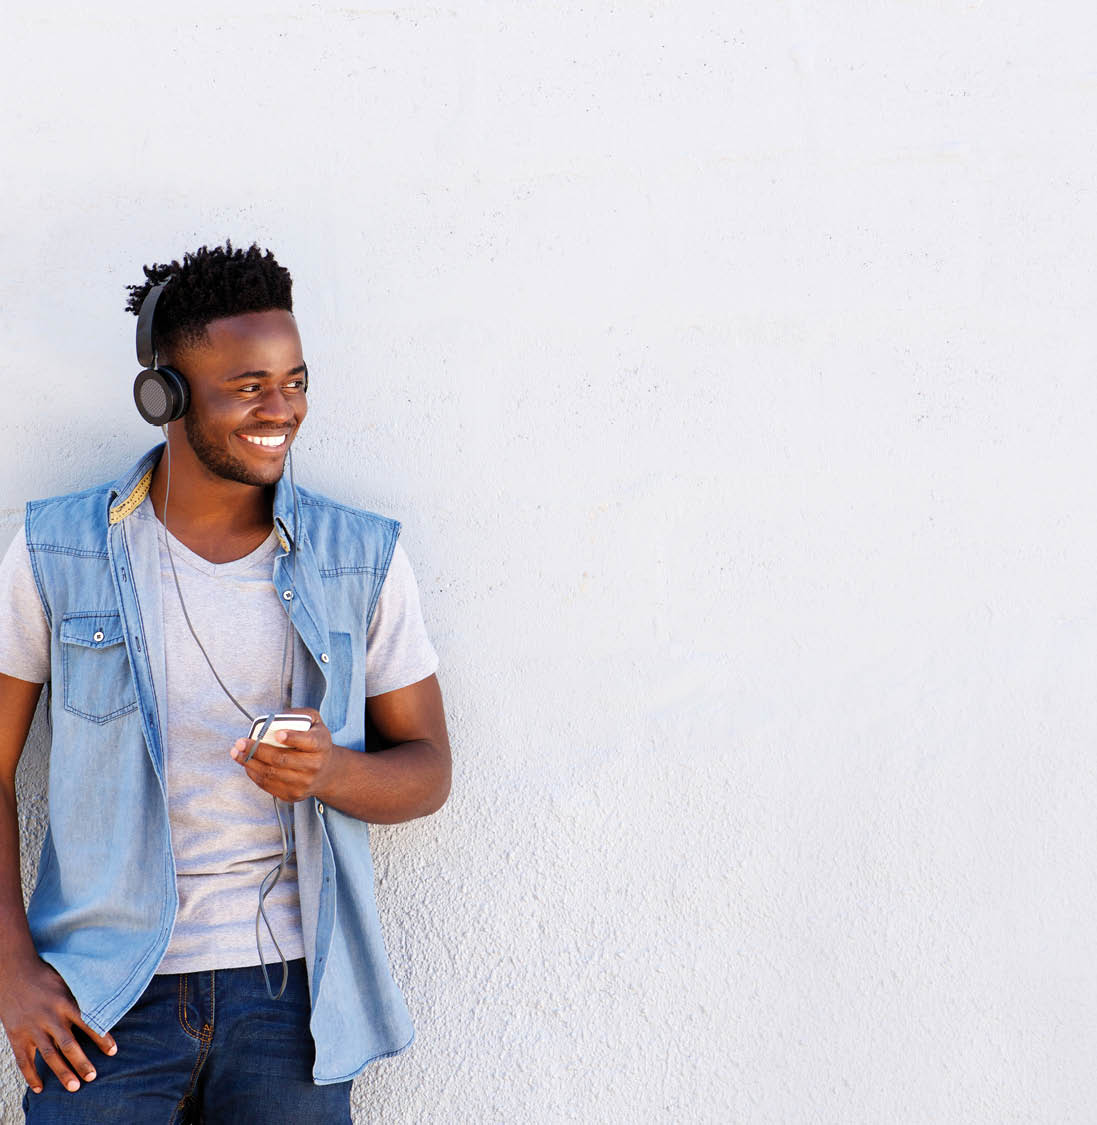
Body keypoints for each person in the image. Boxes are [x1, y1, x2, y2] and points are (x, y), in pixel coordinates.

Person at [0, 243, 451, 1123]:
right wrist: (12, 974)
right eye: (248, 385)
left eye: (294, 380)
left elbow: (428, 767)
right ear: (162, 394)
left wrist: (330, 773)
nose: (280, 409)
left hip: (292, 1003)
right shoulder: (56, 551)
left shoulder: (360, 558)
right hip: (102, 1001)